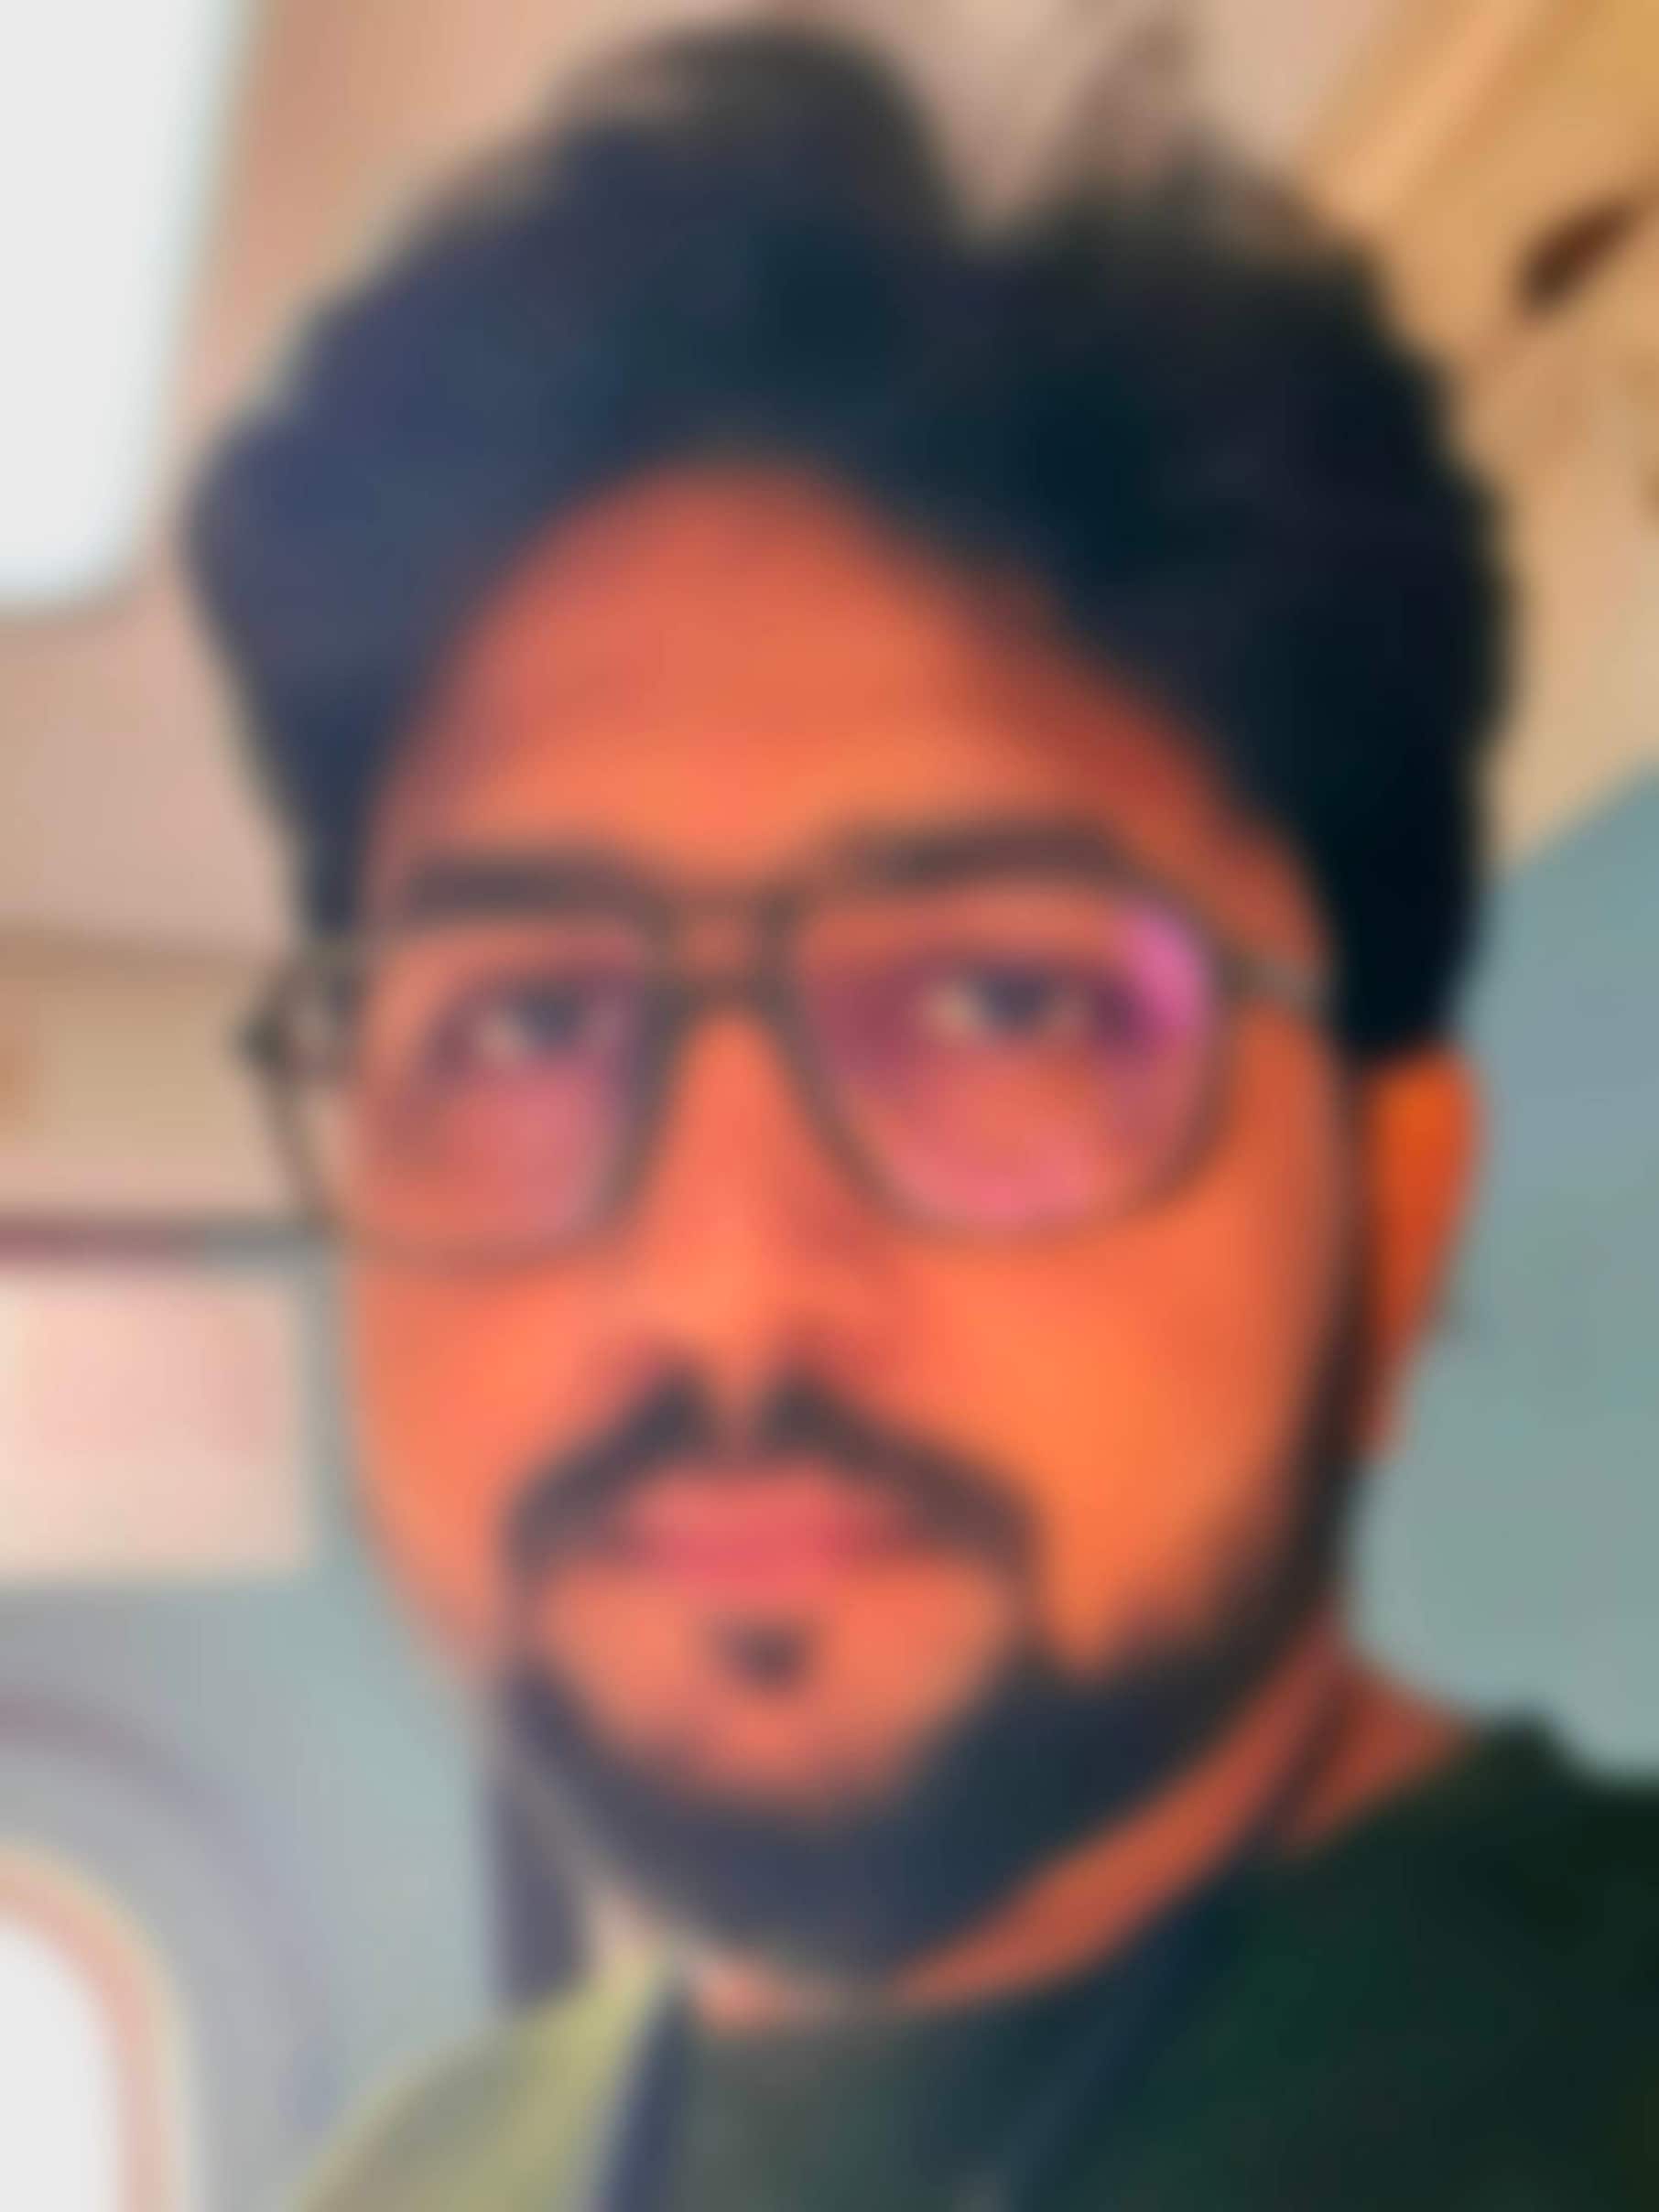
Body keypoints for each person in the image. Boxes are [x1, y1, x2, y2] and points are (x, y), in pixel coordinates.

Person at [190, 26, 1659, 2210]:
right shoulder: (405, 2168)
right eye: (521, 1023)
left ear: (1391, 1210)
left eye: (1000, 1003)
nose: (718, 1285)